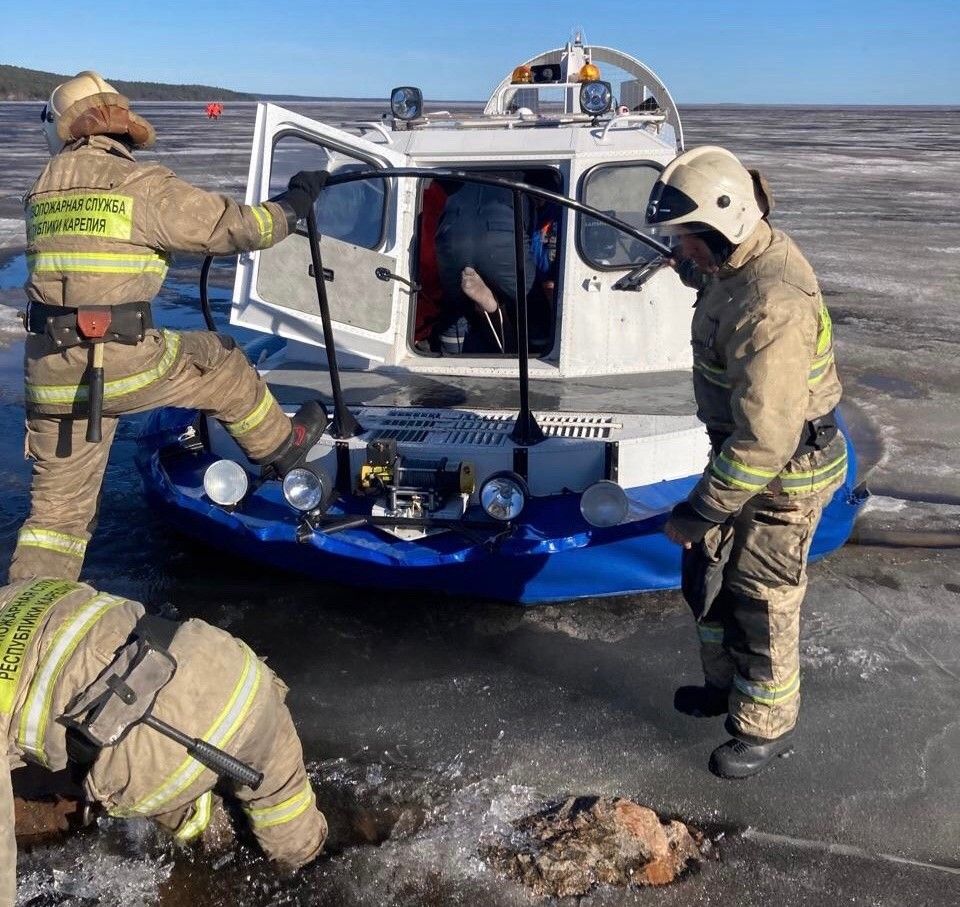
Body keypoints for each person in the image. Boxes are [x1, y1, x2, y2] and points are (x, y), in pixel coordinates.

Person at [10, 71, 329, 583]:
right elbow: (240, 228)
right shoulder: (141, 186)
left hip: (52, 370)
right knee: (220, 361)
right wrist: (293, 205)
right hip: (125, 359)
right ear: (121, 127)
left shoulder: (43, 188)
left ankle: (25, 625)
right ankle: (281, 447)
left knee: (55, 521)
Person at [647, 146, 847, 779]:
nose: (680, 254)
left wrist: (702, 508)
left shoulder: (773, 303)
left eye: (687, 242)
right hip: (744, 457)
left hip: (785, 472)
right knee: (708, 577)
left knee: (762, 596)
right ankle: (721, 688)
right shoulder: (735, 265)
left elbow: (766, 438)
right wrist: (694, 265)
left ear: (725, 227)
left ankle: (763, 725)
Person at [0, 577, 327, 903]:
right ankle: (312, 863)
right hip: (229, 669)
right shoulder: (20, 590)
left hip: (158, 742)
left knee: (161, 794)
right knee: (285, 800)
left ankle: (202, 819)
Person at [434, 176, 535, 354]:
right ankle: (493, 309)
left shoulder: (457, 178)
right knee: (530, 306)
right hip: (501, 232)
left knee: (455, 308)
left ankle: (451, 360)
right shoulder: (526, 182)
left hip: (449, 234)